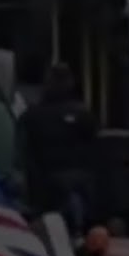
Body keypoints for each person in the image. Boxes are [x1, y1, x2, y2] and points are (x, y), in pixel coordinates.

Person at [21, 64, 97, 234]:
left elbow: (24, 150)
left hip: (46, 184)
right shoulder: (82, 113)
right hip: (74, 180)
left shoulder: (33, 115)